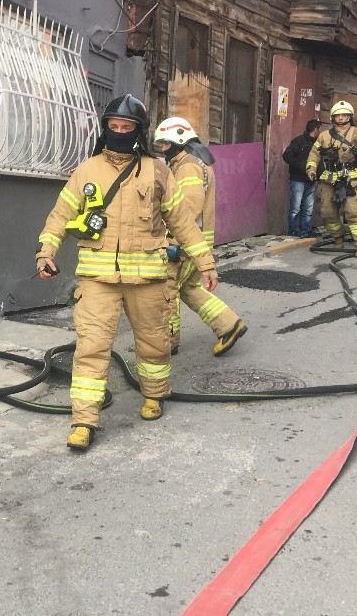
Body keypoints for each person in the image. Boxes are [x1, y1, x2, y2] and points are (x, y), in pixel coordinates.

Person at [35, 95, 218, 451]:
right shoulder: (87, 170)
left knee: (153, 342)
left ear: (139, 131)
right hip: (97, 278)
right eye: (114, 126)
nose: (119, 132)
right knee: (90, 347)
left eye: (127, 127)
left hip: (147, 278)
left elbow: (182, 222)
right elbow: (60, 215)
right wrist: (46, 252)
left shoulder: (157, 171)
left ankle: (155, 394)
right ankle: (84, 420)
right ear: (105, 128)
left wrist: (206, 263)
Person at [153, 117, 247, 357]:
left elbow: (186, 210)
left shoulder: (187, 166)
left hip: (184, 244)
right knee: (189, 288)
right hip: (196, 243)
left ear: (179, 141)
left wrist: (171, 241)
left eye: (166, 143)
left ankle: (168, 342)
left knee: (167, 290)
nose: (163, 148)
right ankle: (229, 325)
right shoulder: (194, 161)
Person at [306, 101, 357, 258]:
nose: (341, 118)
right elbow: (314, 154)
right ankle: (338, 236)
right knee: (327, 210)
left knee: (352, 210)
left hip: (351, 179)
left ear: (349, 117)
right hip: (330, 178)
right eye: (338, 115)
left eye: (344, 115)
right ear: (333, 117)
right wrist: (311, 168)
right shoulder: (324, 136)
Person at [282, 119, 322, 237]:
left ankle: (306, 230)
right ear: (315, 129)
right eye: (319, 129)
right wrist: (300, 165)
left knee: (308, 208)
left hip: (311, 180)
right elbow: (286, 156)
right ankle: (294, 231)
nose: (321, 132)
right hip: (298, 179)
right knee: (296, 207)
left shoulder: (317, 144)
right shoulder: (298, 141)